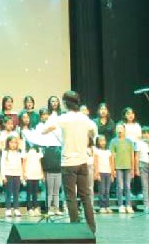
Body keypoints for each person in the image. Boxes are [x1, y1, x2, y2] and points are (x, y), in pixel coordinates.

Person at [42, 91, 96, 232]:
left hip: (68, 164)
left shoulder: (64, 118)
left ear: (65, 103)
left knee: (71, 197)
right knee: (85, 197)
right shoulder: (84, 118)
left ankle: (75, 228)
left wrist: (52, 119)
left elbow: (44, 130)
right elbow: (93, 131)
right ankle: (92, 228)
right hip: (83, 162)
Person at [110, 123, 136, 213]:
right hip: (118, 167)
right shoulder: (113, 141)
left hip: (128, 166)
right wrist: (112, 169)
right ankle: (120, 205)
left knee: (127, 187)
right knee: (119, 186)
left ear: (124, 130)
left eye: (121, 128)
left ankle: (128, 205)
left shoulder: (129, 141)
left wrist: (133, 168)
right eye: (118, 128)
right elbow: (112, 156)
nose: (119, 130)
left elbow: (132, 155)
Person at [0, 134, 25, 218]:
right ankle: (8, 209)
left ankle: (16, 208)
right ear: (8, 143)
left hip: (16, 174)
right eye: (11, 142)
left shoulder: (18, 152)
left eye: (15, 143)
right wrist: (3, 176)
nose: (13, 144)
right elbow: (2, 164)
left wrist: (21, 176)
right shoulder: (5, 152)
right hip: (8, 174)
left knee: (16, 193)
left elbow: (20, 164)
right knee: (8, 193)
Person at [93, 135, 113, 213]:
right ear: (98, 142)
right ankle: (102, 206)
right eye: (101, 141)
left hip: (108, 172)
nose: (103, 142)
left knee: (107, 191)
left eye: (104, 140)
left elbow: (111, 163)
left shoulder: (108, 151)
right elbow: (96, 163)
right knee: (102, 190)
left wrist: (112, 173)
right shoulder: (96, 151)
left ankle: (107, 206)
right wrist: (97, 173)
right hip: (101, 172)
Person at [25, 143, 44, 217]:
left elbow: (40, 162)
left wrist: (42, 173)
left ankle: (36, 207)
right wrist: (24, 172)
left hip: (37, 173)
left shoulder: (38, 151)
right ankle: (29, 208)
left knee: (35, 192)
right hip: (29, 173)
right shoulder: (26, 151)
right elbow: (24, 162)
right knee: (29, 192)